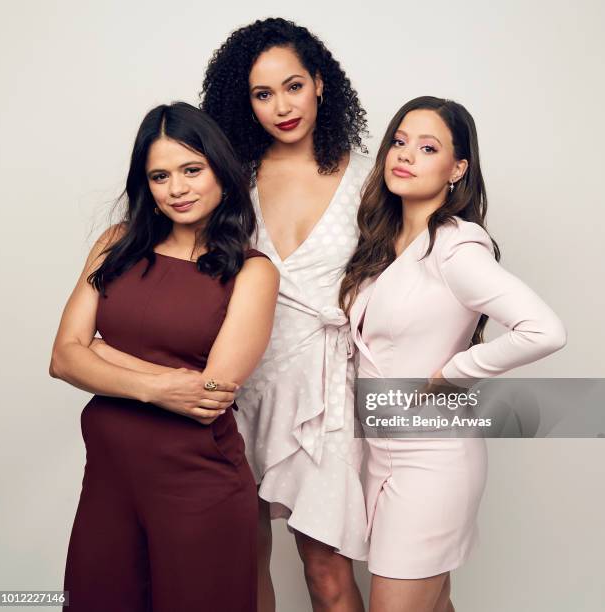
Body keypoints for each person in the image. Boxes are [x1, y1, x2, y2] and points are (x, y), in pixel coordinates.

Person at [49, 101, 279, 612]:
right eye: (160, 175)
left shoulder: (252, 271)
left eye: (191, 170)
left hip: (198, 486)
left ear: (221, 171)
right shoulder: (115, 245)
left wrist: (105, 354)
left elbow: (210, 394)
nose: (177, 188)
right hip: (109, 485)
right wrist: (156, 385)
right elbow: (63, 357)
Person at [340, 96, 567, 612]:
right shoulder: (380, 245)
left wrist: (454, 371)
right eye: (399, 142)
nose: (405, 155)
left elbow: (545, 330)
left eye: (427, 147)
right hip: (381, 458)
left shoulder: (456, 246)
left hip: (432, 463)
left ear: (457, 169)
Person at [201, 17, 370, 612]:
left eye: (293, 86)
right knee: (242, 568)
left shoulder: (371, 177)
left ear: (321, 84)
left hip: (324, 392)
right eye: (262, 94)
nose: (281, 107)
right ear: (245, 103)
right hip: (236, 381)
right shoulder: (228, 179)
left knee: (326, 572)